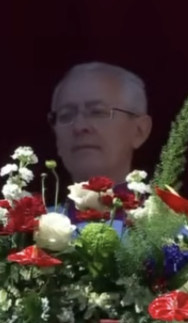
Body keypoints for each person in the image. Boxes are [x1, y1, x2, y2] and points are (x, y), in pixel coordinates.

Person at [48, 62, 152, 232]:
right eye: (66, 115)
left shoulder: (179, 234)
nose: (80, 126)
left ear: (139, 131)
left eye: (97, 112)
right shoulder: (25, 235)